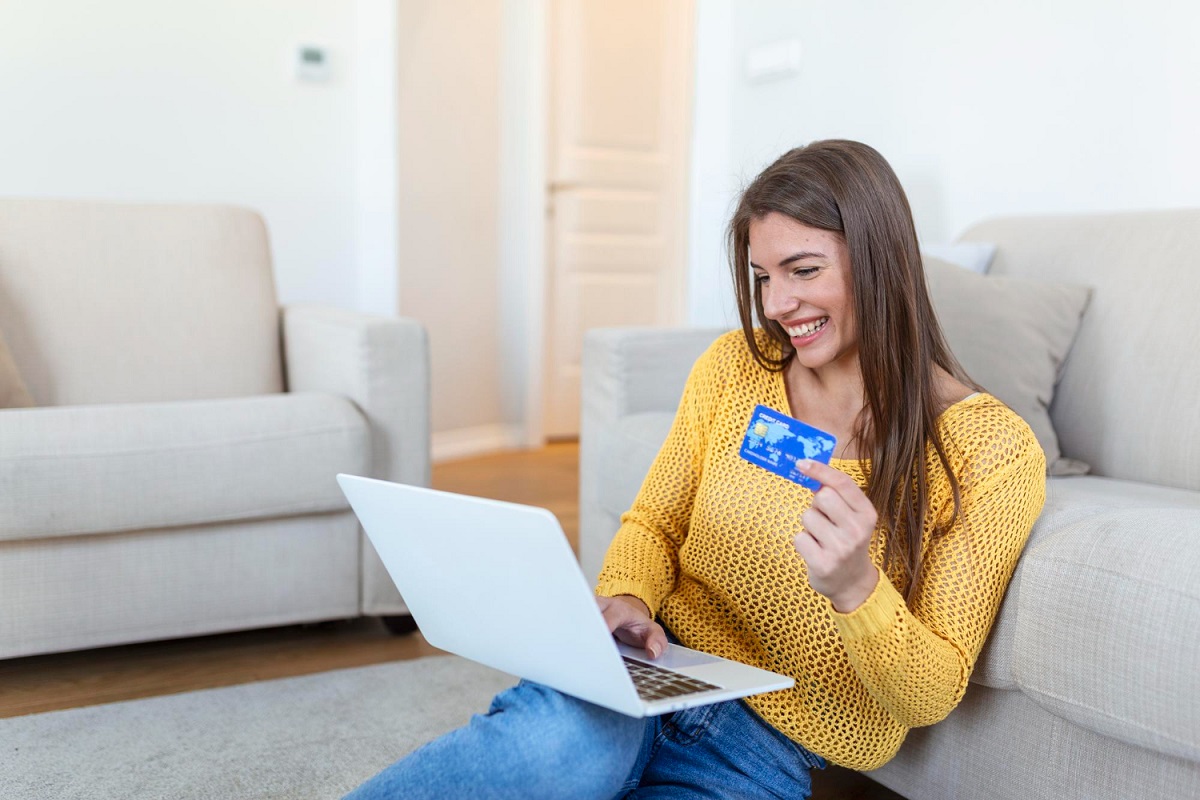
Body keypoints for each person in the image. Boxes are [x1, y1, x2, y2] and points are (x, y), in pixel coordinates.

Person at [343, 140, 1046, 799]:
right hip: (651, 671)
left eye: (803, 271)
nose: (777, 306)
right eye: (763, 278)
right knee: (557, 753)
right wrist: (625, 600)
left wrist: (858, 588)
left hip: (759, 748)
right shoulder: (735, 369)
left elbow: (931, 693)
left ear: (881, 261)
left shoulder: (990, 452)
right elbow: (655, 522)